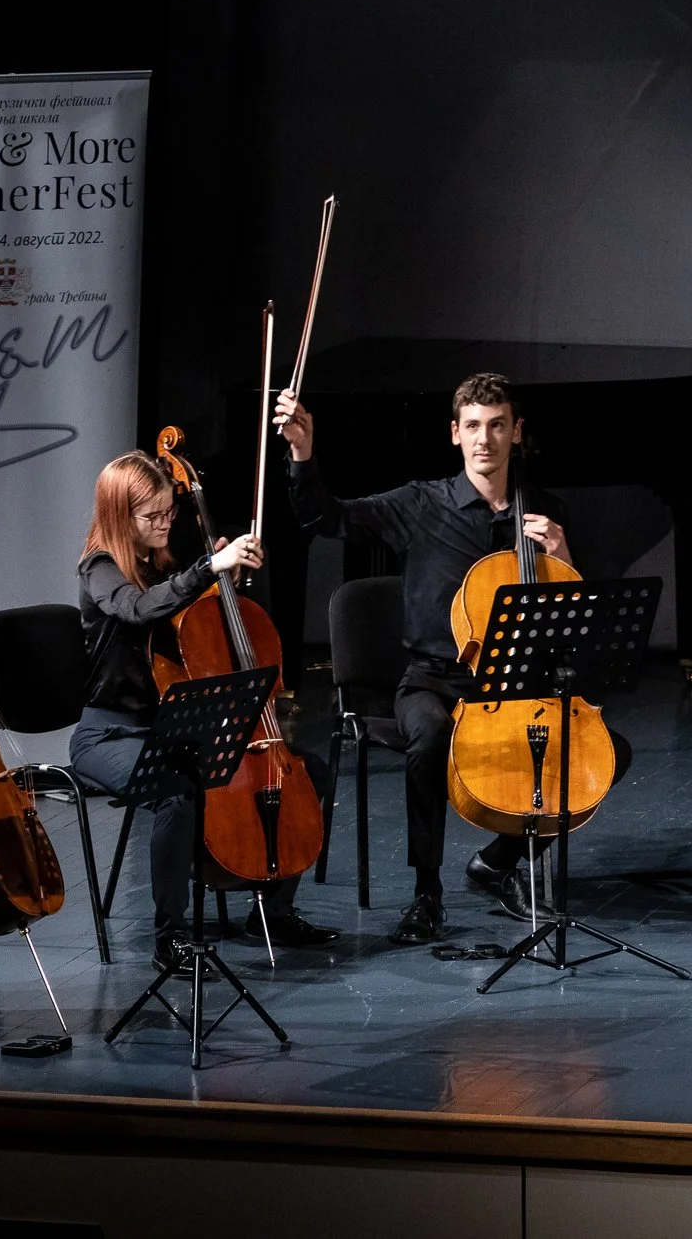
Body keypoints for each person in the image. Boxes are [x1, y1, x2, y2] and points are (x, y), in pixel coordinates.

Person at [275, 372, 633, 945]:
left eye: (497, 426)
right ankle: (426, 893)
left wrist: (564, 555)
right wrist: (302, 453)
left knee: (605, 752)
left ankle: (499, 861)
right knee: (429, 738)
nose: (484, 439)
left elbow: (577, 619)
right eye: (473, 427)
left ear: (517, 432)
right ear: (455, 433)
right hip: (433, 681)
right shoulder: (421, 504)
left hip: (519, 686)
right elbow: (327, 518)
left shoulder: (545, 511)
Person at [68, 451, 338, 977]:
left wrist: (223, 580)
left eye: (169, 511)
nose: (165, 522)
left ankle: (275, 911)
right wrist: (206, 569)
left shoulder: (160, 565)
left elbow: (191, 628)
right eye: (153, 515)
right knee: (175, 790)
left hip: (175, 728)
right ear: (120, 514)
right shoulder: (98, 568)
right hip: (110, 734)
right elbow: (137, 609)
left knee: (308, 772)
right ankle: (169, 937)